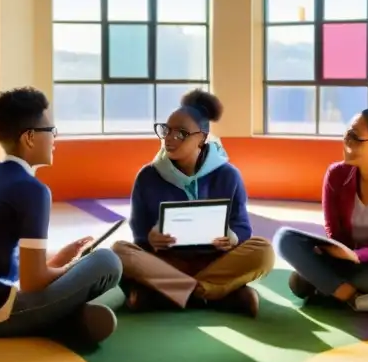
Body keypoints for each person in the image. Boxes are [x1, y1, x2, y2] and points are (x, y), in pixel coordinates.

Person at [0, 87, 122, 344]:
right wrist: (73, 268)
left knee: (87, 278)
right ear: (29, 138)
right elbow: (32, 282)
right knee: (107, 261)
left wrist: (61, 259)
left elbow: (15, 266)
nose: (54, 139)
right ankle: (65, 321)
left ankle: (65, 319)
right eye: (51, 131)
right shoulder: (33, 190)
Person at [112, 89, 275, 317]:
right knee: (119, 252)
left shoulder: (228, 175)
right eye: (166, 130)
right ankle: (218, 294)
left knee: (264, 251)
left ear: (202, 138)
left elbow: (242, 226)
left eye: (181, 133)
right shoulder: (148, 176)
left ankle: (172, 293)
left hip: (215, 262)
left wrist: (233, 237)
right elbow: (138, 231)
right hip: (166, 262)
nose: (169, 138)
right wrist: (150, 236)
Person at [273, 108, 368, 322]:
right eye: (347, 134)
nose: (347, 141)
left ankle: (332, 287)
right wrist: (334, 252)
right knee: (284, 240)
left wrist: (358, 257)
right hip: (343, 259)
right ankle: (363, 297)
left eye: (356, 137)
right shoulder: (335, 174)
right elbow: (332, 231)